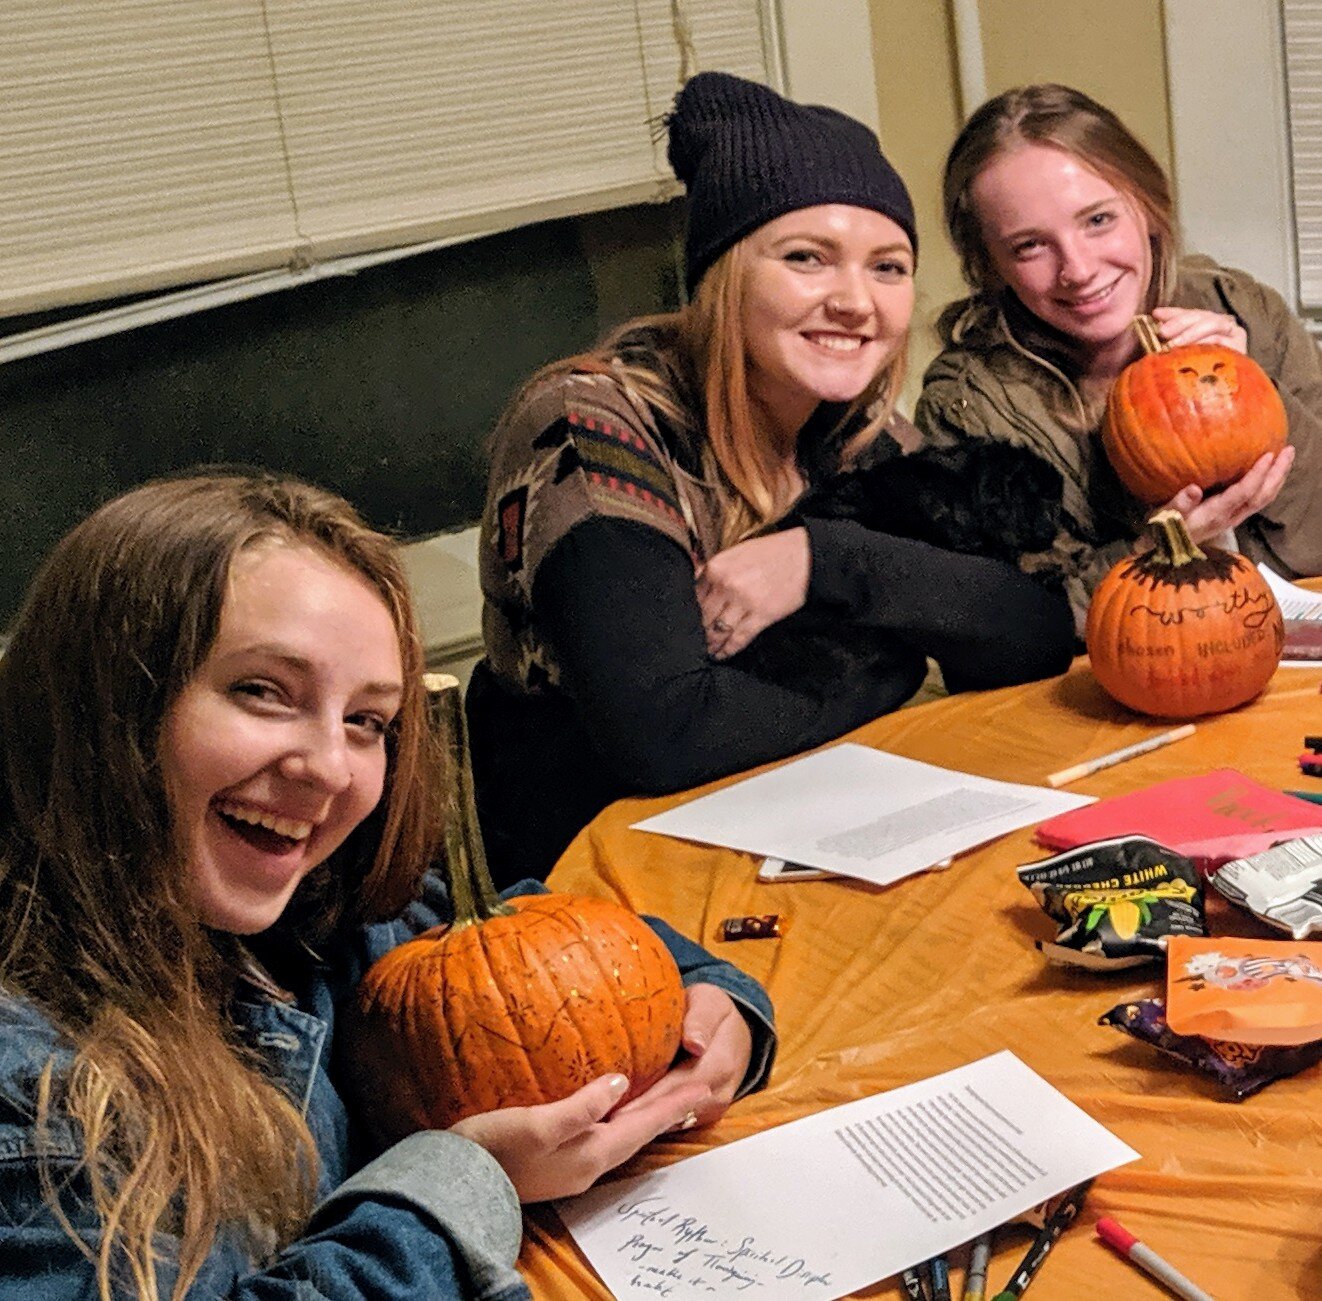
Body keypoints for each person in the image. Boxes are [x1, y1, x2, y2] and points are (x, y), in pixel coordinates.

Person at [0, 472, 775, 1300]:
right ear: (103, 701)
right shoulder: (32, 1092)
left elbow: (544, 954)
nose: (331, 767)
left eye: (366, 720)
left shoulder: (320, 912)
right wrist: (463, 1183)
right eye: (263, 692)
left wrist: (714, 1004)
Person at [468, 72, 1077, 885]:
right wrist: (897, 658)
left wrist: (827, 561)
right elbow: (668, 733)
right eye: (806, 259)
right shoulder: (594, 423)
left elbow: (1028, 636)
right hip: (590, 881)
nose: (856, 301)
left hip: (794, 831)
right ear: (724, 278)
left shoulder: (857, 431)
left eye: (888, 267)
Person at [914, 82, 1319, 630]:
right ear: (990, 265)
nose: (1077, 270)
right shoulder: (969, 405)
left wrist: (1256, 395)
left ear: (1148, 207)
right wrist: (1159, 544)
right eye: (1029, 245)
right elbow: (1009, 624)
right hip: (1120, 678)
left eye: (1098, 219)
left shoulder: (1242, 309)